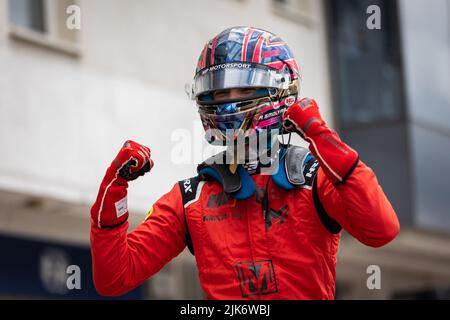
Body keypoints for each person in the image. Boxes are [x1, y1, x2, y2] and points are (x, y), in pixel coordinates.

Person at [90, 26, 400, 299]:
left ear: (280, 91)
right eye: (219, 92)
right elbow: (115, 278)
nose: (229, 102)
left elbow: (381, 229)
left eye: (245, 89)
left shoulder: (314, 177)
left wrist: (318, 134)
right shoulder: (191, 198)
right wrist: (114, 191)